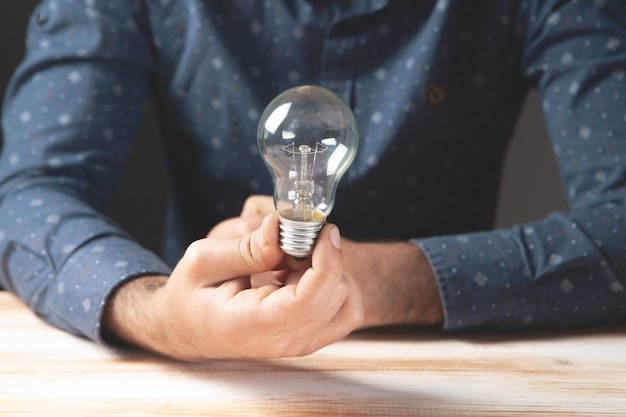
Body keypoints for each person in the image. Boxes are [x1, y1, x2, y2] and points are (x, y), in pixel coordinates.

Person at [1, 0, 625, 361]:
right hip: (213, 374)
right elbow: (25, 194)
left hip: (451, 369)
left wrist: (373, 282)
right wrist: (160, 309)